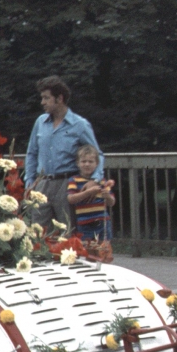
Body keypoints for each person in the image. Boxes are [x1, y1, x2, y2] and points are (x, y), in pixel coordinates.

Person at [25, 76, 104, 230]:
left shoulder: (79, 125)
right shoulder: (40, 122)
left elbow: (97, 154)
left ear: (59, 98)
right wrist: (29, 181)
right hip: (42, 184)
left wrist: (95, 179)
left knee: (67, 233)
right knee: (37, 233)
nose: (42, 102)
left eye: (46, 98)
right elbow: (32, 153)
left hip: (67, 184)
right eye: (42, 98)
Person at [67, 145, 115, 242]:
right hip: (84, 224)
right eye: (84, 161)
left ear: (97, 164)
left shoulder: (101, 181)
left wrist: (107, 196)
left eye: (90, 161)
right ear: (78, 163)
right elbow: (71, 199)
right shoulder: (74, 180)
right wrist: (88, 192)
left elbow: (111, 202)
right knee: (87, 251)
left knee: (103, 250)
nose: (87, 164)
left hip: (102, 221)